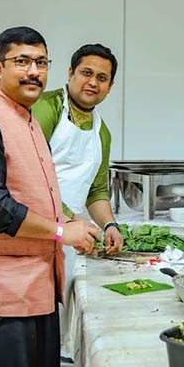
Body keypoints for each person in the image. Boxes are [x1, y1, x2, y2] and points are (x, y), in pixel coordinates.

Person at [0, 26, 101, 367]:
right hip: (8, 294)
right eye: (22, 61)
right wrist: (63, 232)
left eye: (41, 62)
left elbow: (39, 194)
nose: (34, 72)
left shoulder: (29, 120)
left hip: (41, 287)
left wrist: (74, 222)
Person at [32, 43, 123, 254]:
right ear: (71, 73)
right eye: (86, 73)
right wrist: (72, 218)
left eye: (102, 78)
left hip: (71, 235)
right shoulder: (46, 109)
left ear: (110, 86)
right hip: (37, 226)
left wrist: (110, 225)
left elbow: (96, 191)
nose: (93, 82)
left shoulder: (102, 133)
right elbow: (28, 177)